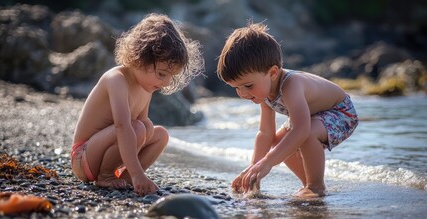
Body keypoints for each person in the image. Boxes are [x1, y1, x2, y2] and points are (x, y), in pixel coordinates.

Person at [216, 22, 358, 198]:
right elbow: (265, 133)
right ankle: (307, 183)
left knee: (305, 133)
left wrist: (268, 162)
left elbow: (302, 128)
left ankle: (316, 186)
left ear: (273, 73)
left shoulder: (291, 85)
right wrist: (254, 169)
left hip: (341, 112)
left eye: (248, 85)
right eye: (236, 88)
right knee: (279, 142)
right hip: (313, 115)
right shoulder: (264, 93)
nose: (243, 94)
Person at [71, 13, 203, 196]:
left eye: (170, 77)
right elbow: (122, 126)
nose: (165, 83)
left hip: (104, 152)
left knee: (158, 133)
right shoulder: (116, 79)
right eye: (162, 74)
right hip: (83, 157)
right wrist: (138, 172)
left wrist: (145, 133)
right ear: (141, 58)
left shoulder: (145, 88)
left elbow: (142, 130)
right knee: (138, 128)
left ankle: (125, 177)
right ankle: (107, 175)